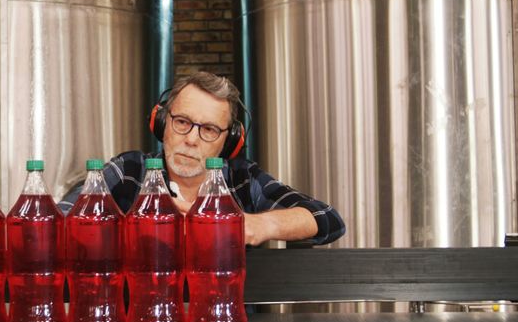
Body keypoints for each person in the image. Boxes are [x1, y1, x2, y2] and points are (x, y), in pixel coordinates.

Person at [58, 72, 344, 246]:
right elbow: (56, 222)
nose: (192, 139)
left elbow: (327, 219)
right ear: (161, 122)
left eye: (208, 129)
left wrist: (257, 226)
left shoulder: (243, 179)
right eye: (182, 122)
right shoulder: (129, 170)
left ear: (230, 141)